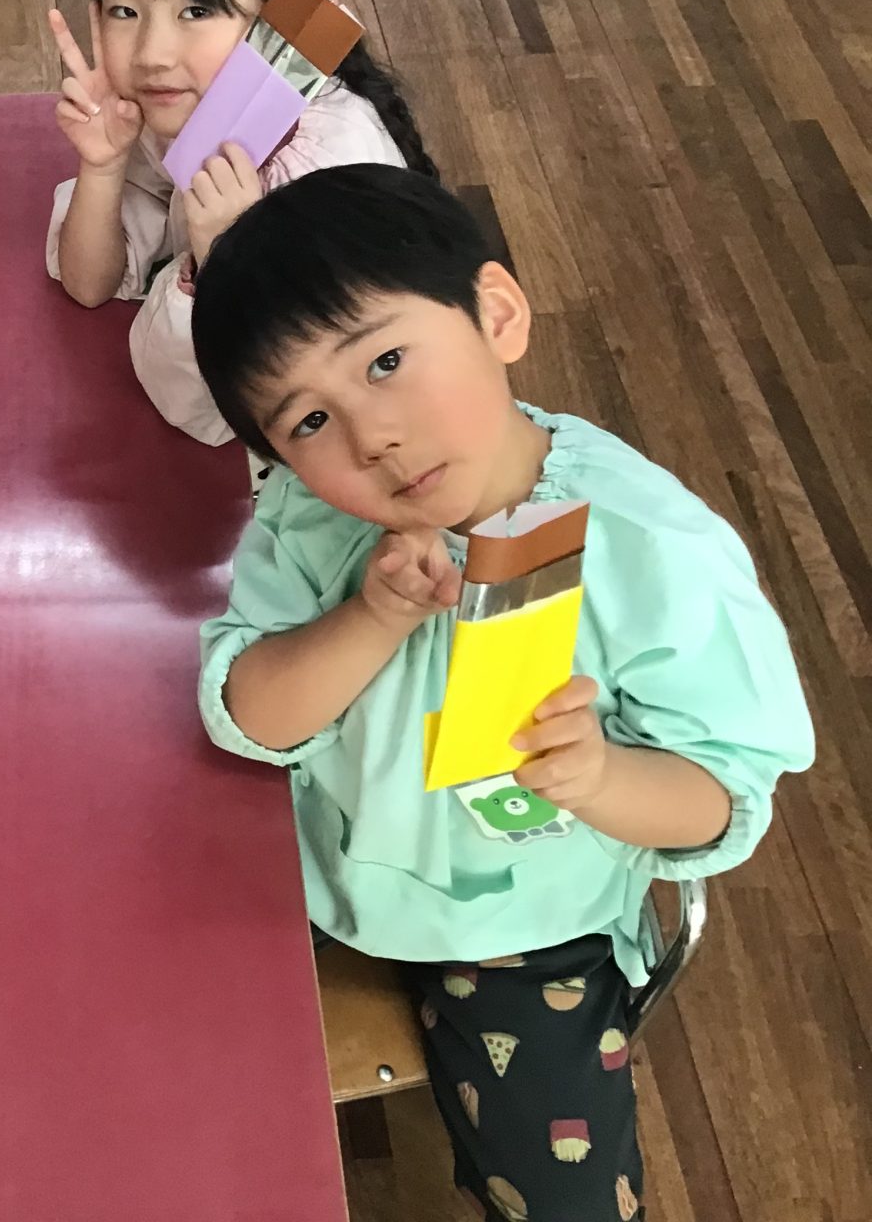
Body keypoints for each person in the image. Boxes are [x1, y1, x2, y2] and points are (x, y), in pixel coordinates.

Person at [190, 163, 813, 1221]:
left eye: (387, 361)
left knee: (570, 1201)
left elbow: (721, 800)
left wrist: (603, 777)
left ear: (499, 314)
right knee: (136, 1074)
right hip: (306, 865)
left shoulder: (656, 550)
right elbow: (250, 717)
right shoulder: (311, 521)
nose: (371, 437)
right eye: (308, 422)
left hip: (524, 929)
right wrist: (371, 618)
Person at [47, 0, 432, 484]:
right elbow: (88, 285)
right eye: (126, 8)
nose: (152, 54)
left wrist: (223, 259)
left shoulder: (326, 180)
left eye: (197, 9)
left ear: (288, 19)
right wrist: (104, 167)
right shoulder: (188, 105)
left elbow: (199, 410)